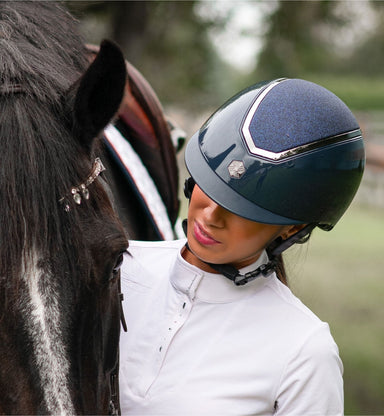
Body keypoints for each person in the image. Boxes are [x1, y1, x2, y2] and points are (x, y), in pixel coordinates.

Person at [118, 78, 365, 415]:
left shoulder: (305, 352)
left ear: (291, 228)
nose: (211, 215)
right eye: (211, 185)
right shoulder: (118, 268)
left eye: (242, 209)